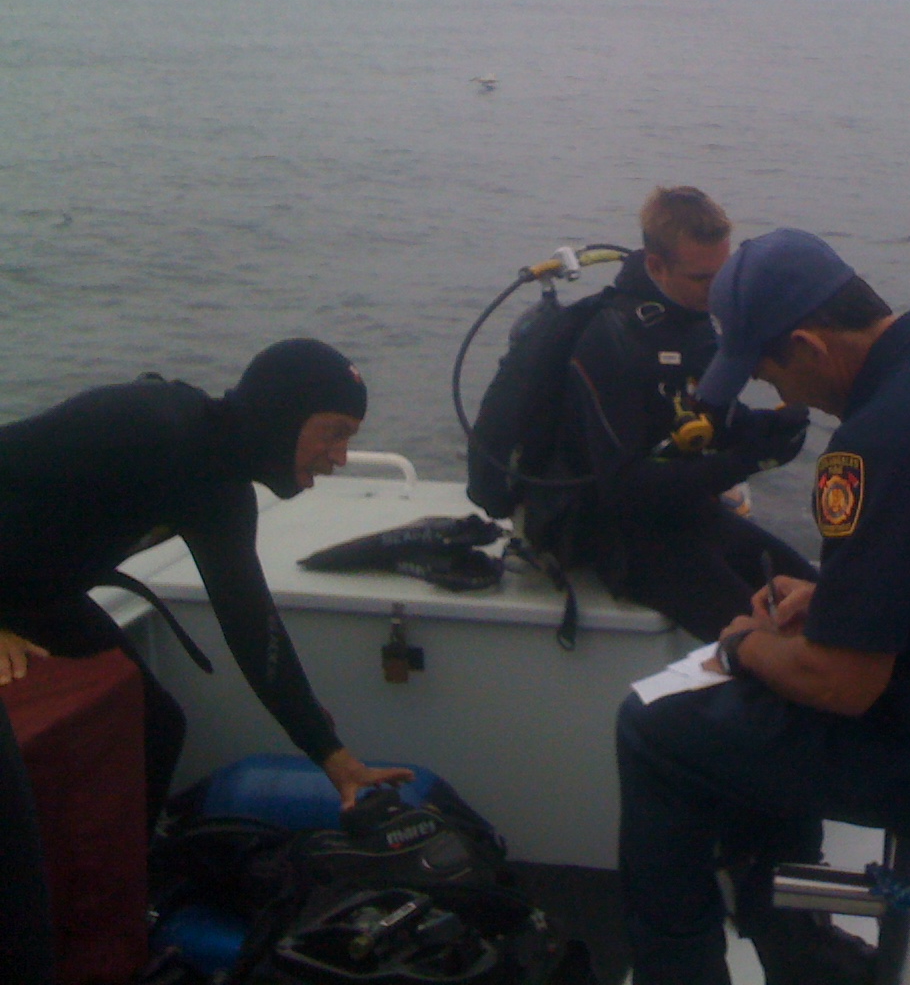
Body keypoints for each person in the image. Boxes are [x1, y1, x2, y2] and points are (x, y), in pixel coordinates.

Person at [616, 229, 910, 984]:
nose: (782, 398)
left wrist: (743, 643)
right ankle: (800, 950)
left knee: (650, 728)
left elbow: (843, 684)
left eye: (772, 374)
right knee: (767, 701)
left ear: (810, 345)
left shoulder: (873, 444)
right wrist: (832, 598)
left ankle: (687, 972)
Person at [0, 338, 413, 977]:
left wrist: (333, 757)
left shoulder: (219, 489)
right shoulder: (147, 425)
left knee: (158, 725)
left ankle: (119, 899)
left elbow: (252, 627)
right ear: (282, 414)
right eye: (332, 432)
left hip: (41, 595)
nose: (340, 456)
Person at [469, 186, 813, 642]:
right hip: (613, 532)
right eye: (701, 278)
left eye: (723, 274)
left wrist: (767, 430)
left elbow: (698, 416)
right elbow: (624, 486)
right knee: (770, 639)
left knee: (819, 596)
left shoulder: (693, 320)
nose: (717, 290)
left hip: (677, 509)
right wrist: (748, 461)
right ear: (656, 266)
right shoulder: (612, 343)